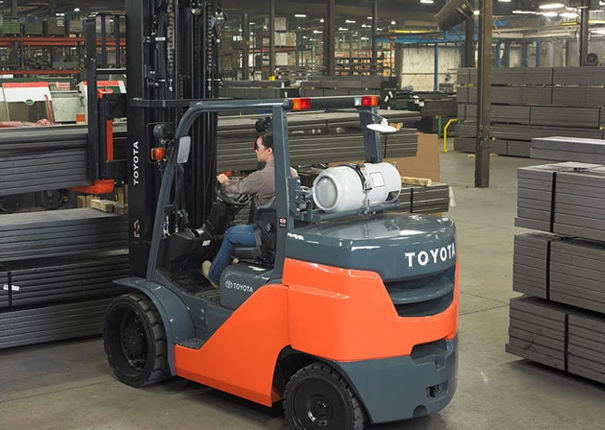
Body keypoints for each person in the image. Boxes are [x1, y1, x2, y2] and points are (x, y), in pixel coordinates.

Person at [202, 131, 297, 288]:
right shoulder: (291, 172)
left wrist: (224, 181)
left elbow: (236, 188)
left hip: (266, 235)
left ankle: (215, 276)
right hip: (281, 230)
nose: (255, 151)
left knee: (231, 233)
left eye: (257, 147)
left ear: (269, 150)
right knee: (240, 227)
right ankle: (235, 261)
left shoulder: (261, 176)